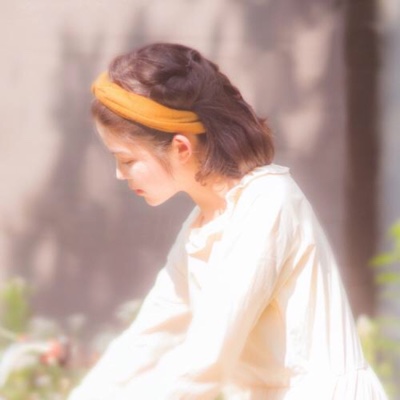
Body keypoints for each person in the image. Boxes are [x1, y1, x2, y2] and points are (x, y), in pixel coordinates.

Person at [68, 43, 388, 400]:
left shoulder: (268, 201)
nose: (119, 173)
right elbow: (146, 341)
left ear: (181, 148)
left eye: (127, 160)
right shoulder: (202, 224)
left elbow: (205, 361)